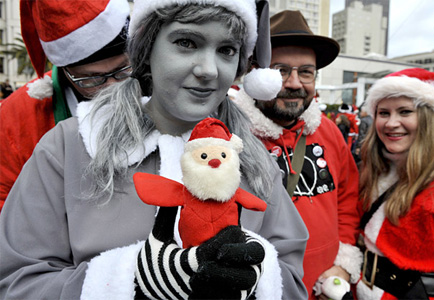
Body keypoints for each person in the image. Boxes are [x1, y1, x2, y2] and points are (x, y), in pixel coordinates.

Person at [0, 0, 309, 299]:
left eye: (226, 50)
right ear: (147, 50)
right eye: (186, 43)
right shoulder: (68, 147)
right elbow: (16, 282)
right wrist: (132, 280)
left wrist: (257, 277)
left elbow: (292, 281)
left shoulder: (253, 160)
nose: (209, 70)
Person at [232, 9, 362, 300]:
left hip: (326, 288)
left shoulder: (330, 132)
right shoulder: (227, 137)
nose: (294, 83)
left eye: (306, 72)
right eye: (280, 70)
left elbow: (348, 203)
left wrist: (343, 265)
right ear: (256, 74)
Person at [0, 0, 131, 209]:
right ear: (65, 71)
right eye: (92, 79)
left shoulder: (166, 89)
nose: (112, 88)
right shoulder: (14, 119)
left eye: (123, 69)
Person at [357, 68, 434, 300]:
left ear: (429, 118)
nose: (391, 123)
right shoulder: (370, 168)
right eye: (383, 113)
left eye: (405, 111)